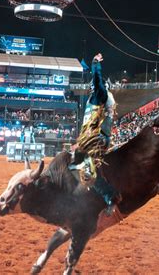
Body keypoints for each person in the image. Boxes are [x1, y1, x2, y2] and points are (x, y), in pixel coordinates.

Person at [69, 53, 121, 215]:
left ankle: (110, 196)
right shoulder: (101, 98)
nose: (91, 87)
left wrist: (95, 64)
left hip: (96, 139)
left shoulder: (100, 95)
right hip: (96, 137)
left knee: (80, 165)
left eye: (92, 86)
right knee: (77, 165)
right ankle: (94, 193)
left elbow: (97, 81)